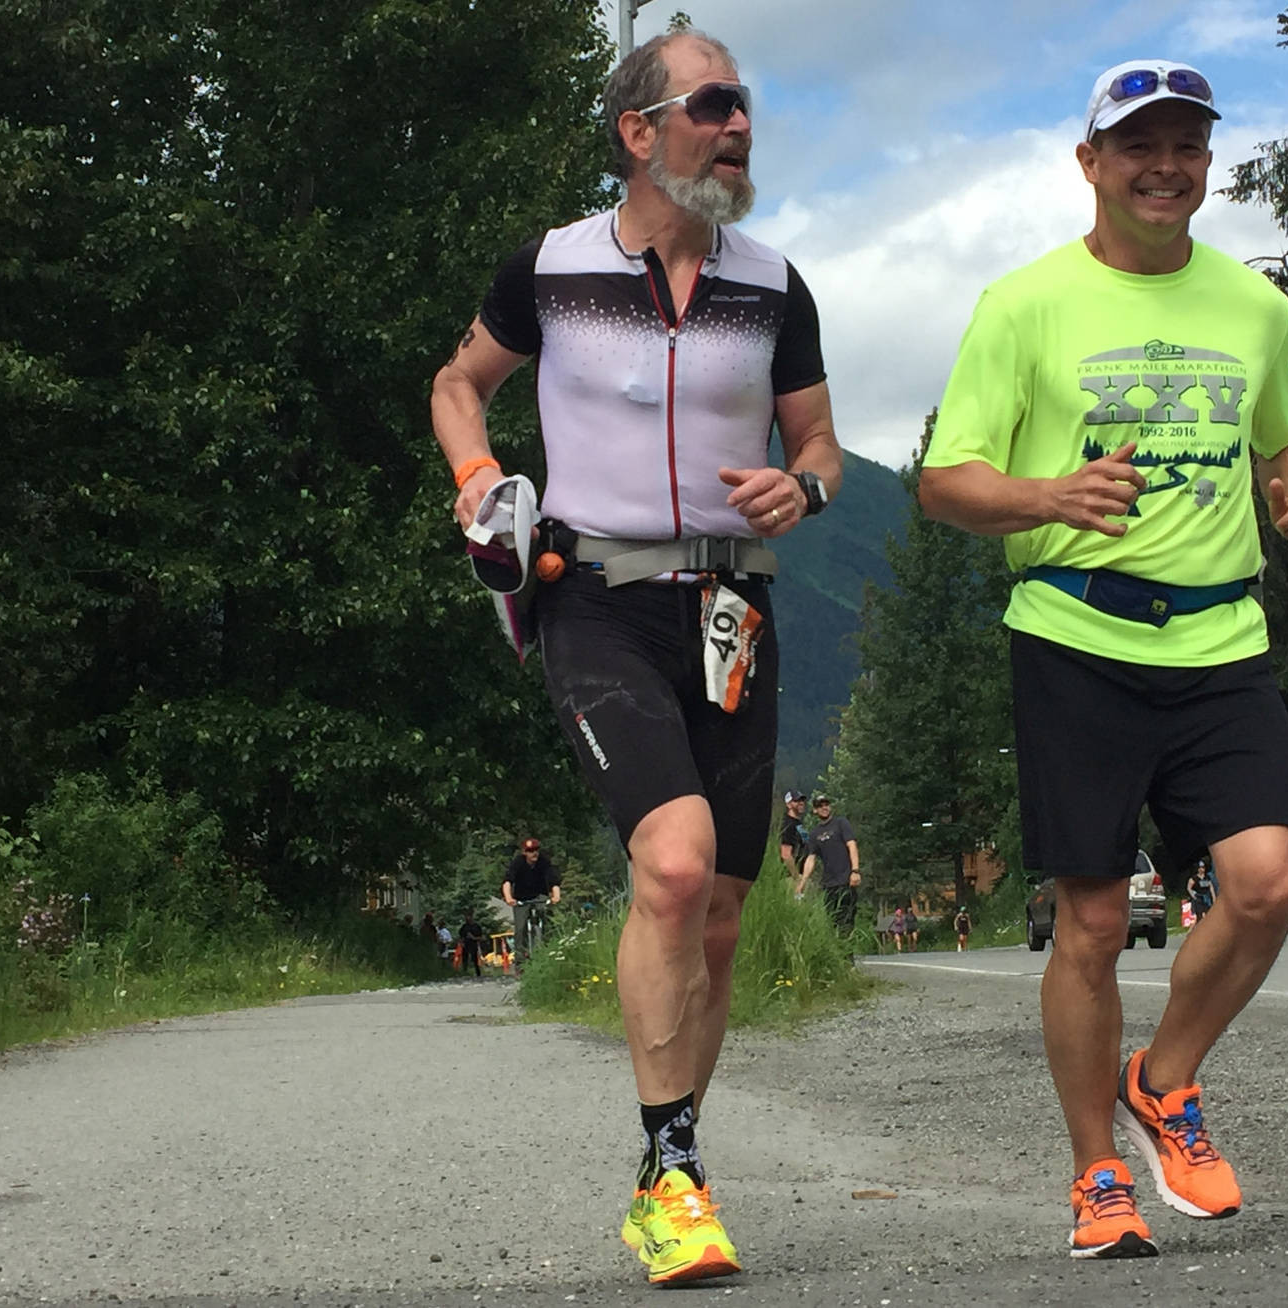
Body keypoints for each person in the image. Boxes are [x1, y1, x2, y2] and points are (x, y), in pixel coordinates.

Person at [428, 30, 841, 1288]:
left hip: (734, 612)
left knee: (718, 911)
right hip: (594, 596)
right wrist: (478, 476)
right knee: (668, 866)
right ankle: (672, 1177)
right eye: (713, 104)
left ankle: (673, 1161)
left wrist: (802, 492)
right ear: (637, 128)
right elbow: (458, 383)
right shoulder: (548, 269)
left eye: (744, 106)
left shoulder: (775, 283)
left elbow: (820, 446)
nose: (737, 126)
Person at [918, 57, 1288, 1261]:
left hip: (1222, 636)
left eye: (1186, 148)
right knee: (1092, 923)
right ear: (1089, 163)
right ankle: (1095, 1174)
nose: (1165, 169)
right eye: (1139, 147)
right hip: (1073, 635)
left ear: (1205, 165)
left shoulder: (1252, 307)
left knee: (1268, 883)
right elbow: (947, 480)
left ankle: (1163, 1082)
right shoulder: (1022, 305)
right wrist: (1047, 493)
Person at [798, 794, 860, 930]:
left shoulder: (841, 823)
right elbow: (811, 858)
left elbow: (852, 845)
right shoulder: (814, 834)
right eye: (820, 806)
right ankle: (838, 949)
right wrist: (802, 882)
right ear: (815, 810)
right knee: (833, 921)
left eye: (826, 804)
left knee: (847, 920)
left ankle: (848, 949)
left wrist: (855, 871)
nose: (824, 808)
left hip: (846, 881)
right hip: (829, 884)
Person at [503, 838, 563, 959]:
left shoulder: (543, 862)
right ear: (524, 852)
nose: (534, 853)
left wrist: (556, 895)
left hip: (539, 895)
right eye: (530, 850)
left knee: (547, 916)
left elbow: (553, 880)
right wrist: (508, 897)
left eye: (536, 850)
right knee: (520, 928)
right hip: (521, 898)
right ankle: (520, 960)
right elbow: (507, 881)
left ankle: (548, 950)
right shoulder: (518, 862)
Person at [778, 791, 811, 885]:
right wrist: (797, 878)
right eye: (796, 801)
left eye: (802, 800)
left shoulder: (798, 824)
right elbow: (786, 854)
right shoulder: (787, 825)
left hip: (801, 875)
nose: (801, 803)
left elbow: (807, 844)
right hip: (790, 877)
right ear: (788, 804)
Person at [456, 910, 487, 978]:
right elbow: (460, 936)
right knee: (465, 959)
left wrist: (473, 937)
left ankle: (478, 973)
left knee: (475, 959)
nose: (467, 919)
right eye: (466, 917)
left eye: (469, 917)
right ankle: (464, 972)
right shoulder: (464, 926)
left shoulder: (476, 926)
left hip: (473, 944)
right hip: (466, 944)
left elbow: (481, 937)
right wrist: (461, 942)